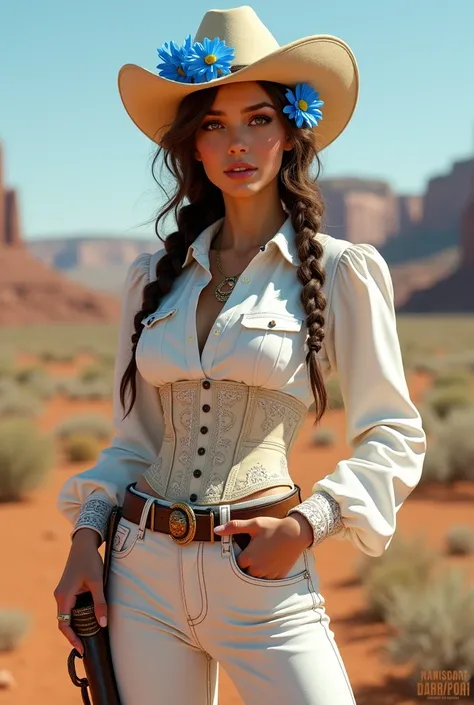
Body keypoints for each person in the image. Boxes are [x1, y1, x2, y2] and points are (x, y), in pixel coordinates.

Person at [54, 6, 427, 704]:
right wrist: (84, 538)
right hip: (139, 575)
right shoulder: (150, 278)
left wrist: (306, 525)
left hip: (263, 575)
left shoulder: (344, 270)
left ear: (290, 132)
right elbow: (132, 441)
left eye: (259, 119)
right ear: (193, 146)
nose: (238, 142)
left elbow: (395, 433)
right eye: (214, 124)